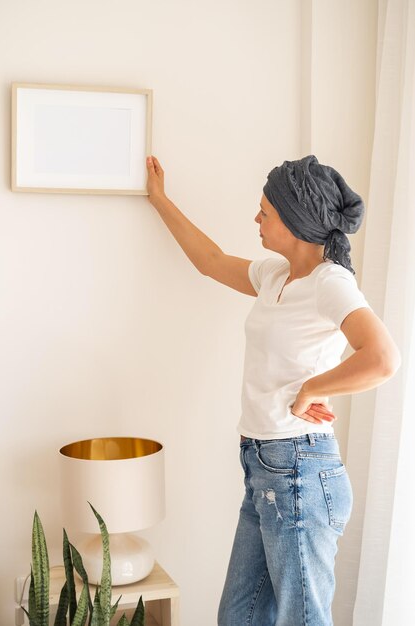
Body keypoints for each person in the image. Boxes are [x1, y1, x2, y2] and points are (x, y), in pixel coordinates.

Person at [145, 154, 401, 626]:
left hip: (299, 468)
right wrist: (160, 200)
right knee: (238, 617)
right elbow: (212, 261)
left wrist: (312, 388)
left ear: (296, 221)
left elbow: (382, 358)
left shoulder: (331, 283)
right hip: (264, 468)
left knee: (302, 619)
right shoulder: (275, 276)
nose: (256, 218)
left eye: (265, 211)